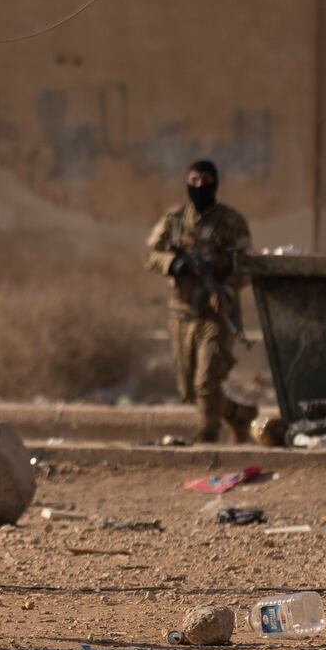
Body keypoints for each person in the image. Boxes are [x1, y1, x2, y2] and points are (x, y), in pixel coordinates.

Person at [144, 160, 258, 442]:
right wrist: (173, 264)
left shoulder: (231, 222)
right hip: (181, 313)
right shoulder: (173, 220)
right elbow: (150, 254)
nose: (199, 186)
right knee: (189, 391)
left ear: (215, 183)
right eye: (193, 180)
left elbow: (246, 266)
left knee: (206, 382)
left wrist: (226, 291)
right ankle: (238, 414)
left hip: (215, 315)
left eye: (205, 180)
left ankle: (208, 440)